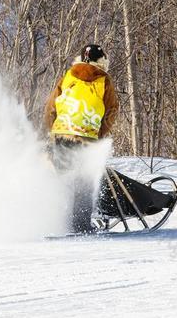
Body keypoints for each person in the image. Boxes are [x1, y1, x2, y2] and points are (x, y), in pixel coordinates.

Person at [44, 44, 119, 233]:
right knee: (84, 181)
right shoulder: (104, 81)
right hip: (86, 137)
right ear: (102, 61)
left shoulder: (68, 76)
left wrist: (52, 131)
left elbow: (51, 107)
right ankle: (80, 226)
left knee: (62, 179)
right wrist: (98, 135)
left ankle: (53, 220)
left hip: (61, 134)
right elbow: (111, 111)